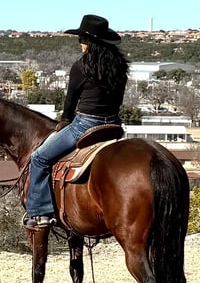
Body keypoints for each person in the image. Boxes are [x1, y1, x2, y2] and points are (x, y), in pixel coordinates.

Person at [24, 14, 129, 228]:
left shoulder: (81, 66)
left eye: (81, 39)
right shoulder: (120, 66)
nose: (80, 43)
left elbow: (70, 100)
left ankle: (39, 213)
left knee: (39, 158)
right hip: (113, 126)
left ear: (89, 41)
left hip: (86, 124)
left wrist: (65, 120)